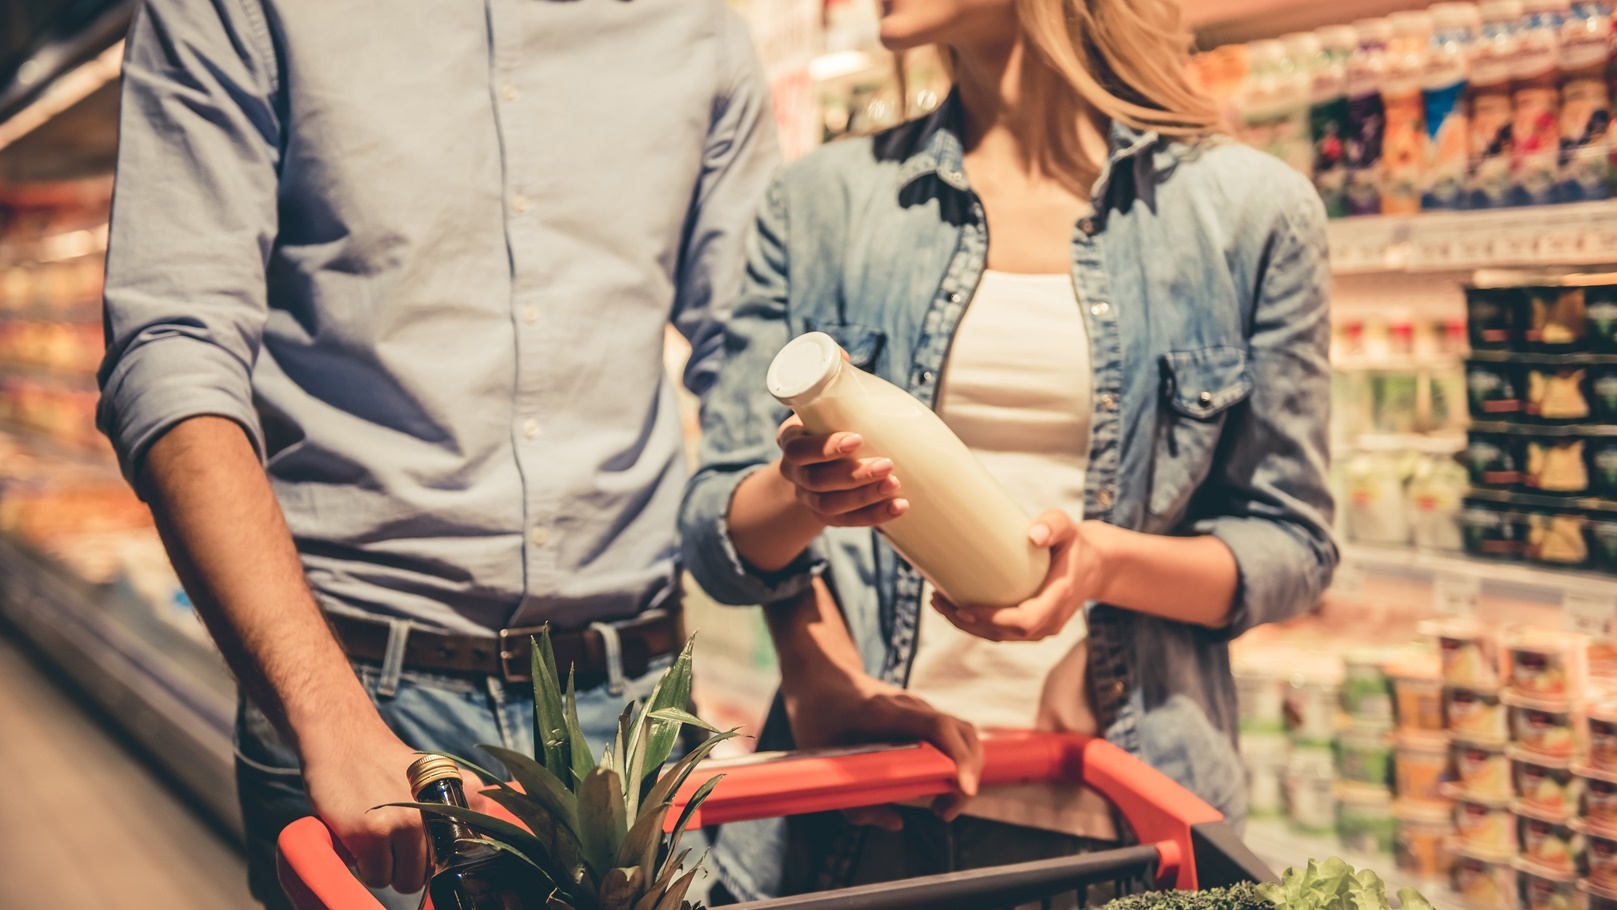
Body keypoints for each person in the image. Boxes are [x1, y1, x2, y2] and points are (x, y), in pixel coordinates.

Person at [94, 1, 777, 907]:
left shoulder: (696, 26)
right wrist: (326, 713)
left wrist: (818, 669)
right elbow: (172, 353)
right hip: (363, 699)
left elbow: (757, 371)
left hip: (634, 716)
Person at [680, 0, 1336, 901]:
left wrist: (1100, 567)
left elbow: (1291, 546)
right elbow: (718, 526)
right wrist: (807, 544)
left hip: (1121, 811)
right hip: (860, 802)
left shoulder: (1247, 212)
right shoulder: (822, 200)